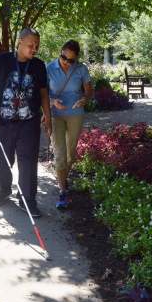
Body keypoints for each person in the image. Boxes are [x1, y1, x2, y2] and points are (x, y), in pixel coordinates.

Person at [0, 27, 52, 218]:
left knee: (28, 162)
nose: (34, 49)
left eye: (37, 46)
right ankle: (2, 194)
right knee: (0, 161)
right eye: (31, 45)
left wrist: (48, 117)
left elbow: (44, 93)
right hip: (1, 122)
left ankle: (28, 200)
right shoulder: (1, 61)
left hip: (29, 123)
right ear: (19, 42)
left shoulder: (38, 65)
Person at [47, 39, 93, 210]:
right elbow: (42, 93)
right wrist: (52, 102)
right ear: (60, 52)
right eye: (64, 58)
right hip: (56, 115)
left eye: (71, 60)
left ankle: (62, 178)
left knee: (70, 154)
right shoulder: (49, 68)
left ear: (76, 59)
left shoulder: (81, 69)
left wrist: (84, 99)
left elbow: (89, 90)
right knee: (60, 155)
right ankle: (62, 190)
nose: (66, 62)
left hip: (75, 115)